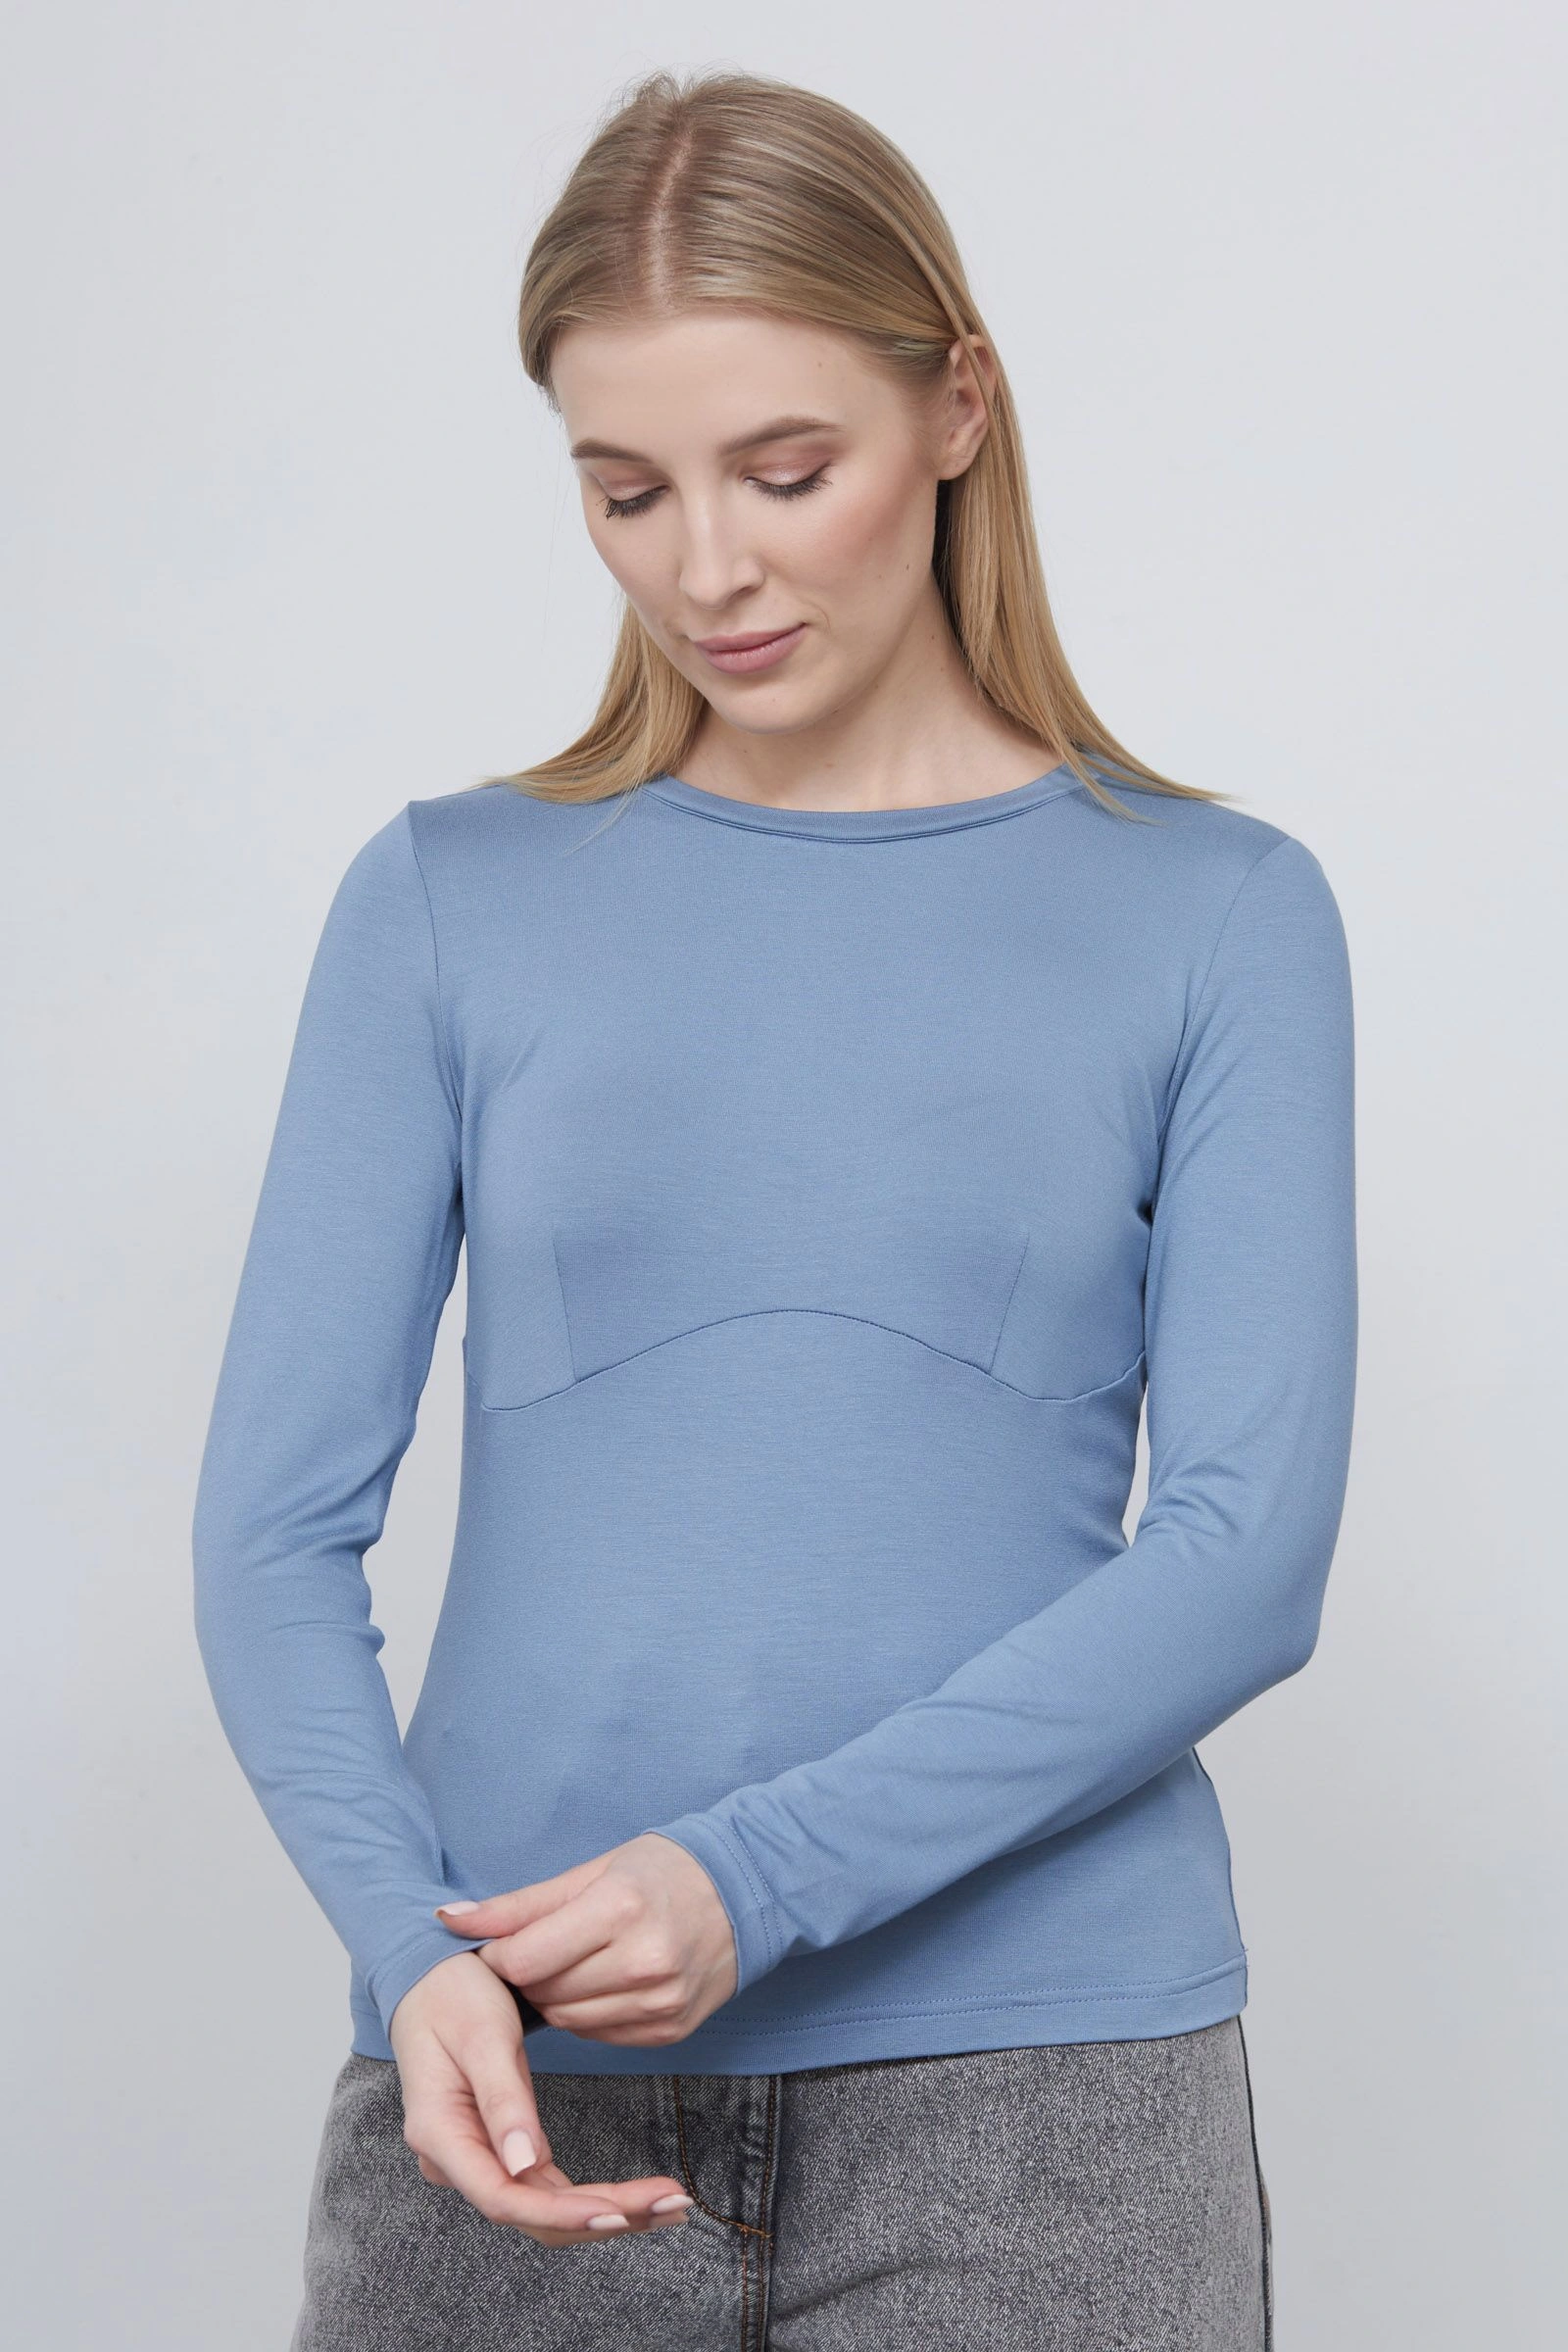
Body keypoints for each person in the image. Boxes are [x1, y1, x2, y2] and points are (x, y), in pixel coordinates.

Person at [191, 65, 1356, 2351]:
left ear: (955, 407)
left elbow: (1245, 1548)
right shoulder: (447, 898)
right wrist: (406, 1950)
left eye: (782, 470)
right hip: (508, 2077)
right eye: (622, 489)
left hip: (1045, 2107)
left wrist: (753, 1879)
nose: (702, 567)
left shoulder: (1214, 912)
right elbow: (269, 1531)